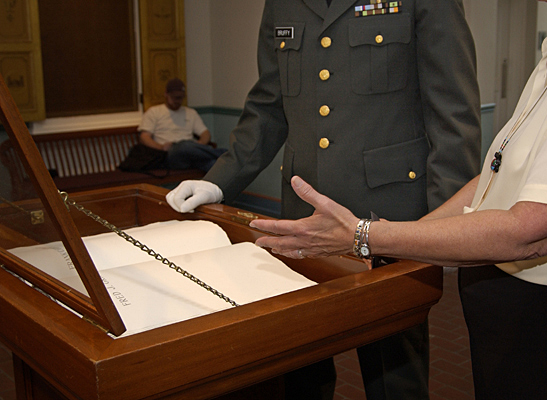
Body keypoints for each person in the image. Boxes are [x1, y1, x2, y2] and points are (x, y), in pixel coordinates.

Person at [249, 0, 547, 398]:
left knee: (396, 378)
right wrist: (419, 238)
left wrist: (373, 236)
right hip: (503, 301)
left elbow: (536, 229)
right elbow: (495, 174)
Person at [166, 0, 481, 398]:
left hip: (391, 222)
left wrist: (444, 230)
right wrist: (219, 182)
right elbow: (268, 105)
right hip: (303, 223)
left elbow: (452, 111)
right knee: (302, 367)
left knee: (394, 374)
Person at [138, 78, 225, 172]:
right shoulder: (154, 112)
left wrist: (199, 145)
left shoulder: (190, 113)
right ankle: (225, 154)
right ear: (166, 94)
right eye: (175, 97)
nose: (178, 101)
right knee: (183, 146)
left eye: (181, 98)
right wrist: (161, 147)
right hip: (169, 155)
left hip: (191, 153)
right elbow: (144, 137)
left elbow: (205, 133)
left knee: (213, 164)